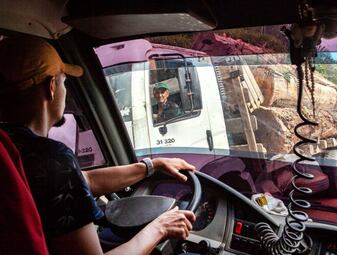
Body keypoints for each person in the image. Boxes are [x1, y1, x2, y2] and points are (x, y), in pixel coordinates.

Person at [0, 36, 196, 255]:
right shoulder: (49, 158)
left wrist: (152, 165)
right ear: (51, 87)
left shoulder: (10, 150)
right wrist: (159, 228)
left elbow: (83, 181)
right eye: (65, 82)